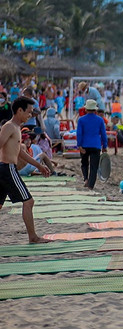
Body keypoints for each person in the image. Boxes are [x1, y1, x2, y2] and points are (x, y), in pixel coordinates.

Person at [0, 97, 49, 243]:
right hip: (7, 169)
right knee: (28, 202)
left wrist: (39, 165)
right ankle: (33, 237)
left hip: (5, 169)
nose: (30, 115)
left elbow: (20, 153)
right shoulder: (9, 126)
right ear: (19, 110)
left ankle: (33, 236)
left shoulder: (16, 128)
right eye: (28, 112)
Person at [76, 99, 107, 190]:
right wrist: (104, 146)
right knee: (94, 166)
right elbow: (103, 134)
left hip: (84, 145)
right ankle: (90, 185)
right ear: (95, 110)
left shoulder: (81, 120)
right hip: (96, 145)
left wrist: (79, 145)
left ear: (86, 109)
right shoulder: (100, 120)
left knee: (84, 163)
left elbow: (79, 134)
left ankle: (85, 179)